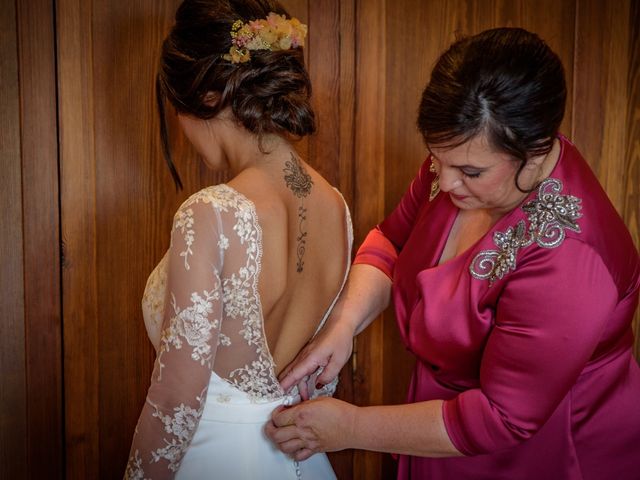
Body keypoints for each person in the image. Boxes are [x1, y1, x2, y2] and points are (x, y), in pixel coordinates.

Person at [266, 27, 640, 479]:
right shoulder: (456, 168)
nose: (445, 182)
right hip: (438, 426)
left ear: (536, 149)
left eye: (469, 171)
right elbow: (390, 242)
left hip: (543, 453)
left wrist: (350, 427)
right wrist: (344, 327)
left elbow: (502, 417)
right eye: (437, 159)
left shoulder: (572, 258)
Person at [124, 1, 352, 478]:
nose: (182, 132)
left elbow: (175, 401)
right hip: (302, 460)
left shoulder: (210, 213)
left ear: (206, 98)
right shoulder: (336, 206)